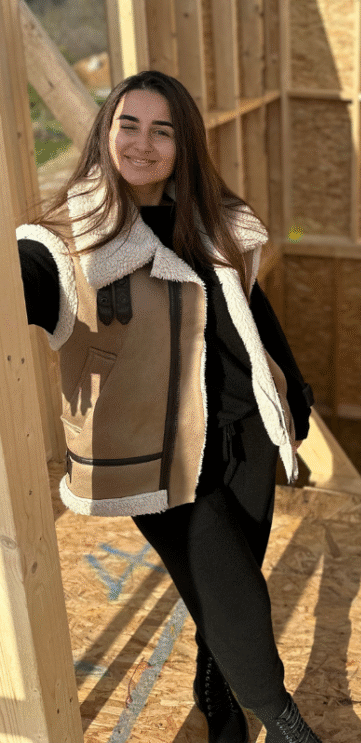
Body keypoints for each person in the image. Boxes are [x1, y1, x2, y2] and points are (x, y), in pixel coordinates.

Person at [16, 70, 324, 743]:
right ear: (105, 132)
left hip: (243, 434)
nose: (143, 144)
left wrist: (291, 394)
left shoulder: (208, 218)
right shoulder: (66, 240)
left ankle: (220, 718)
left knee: (229, 582)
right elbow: (31, 277)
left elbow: (252, 314)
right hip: (156, 454)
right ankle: (285, 722)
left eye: (164, 130)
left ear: (184, 146)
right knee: (234, 593)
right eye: (129, 124)